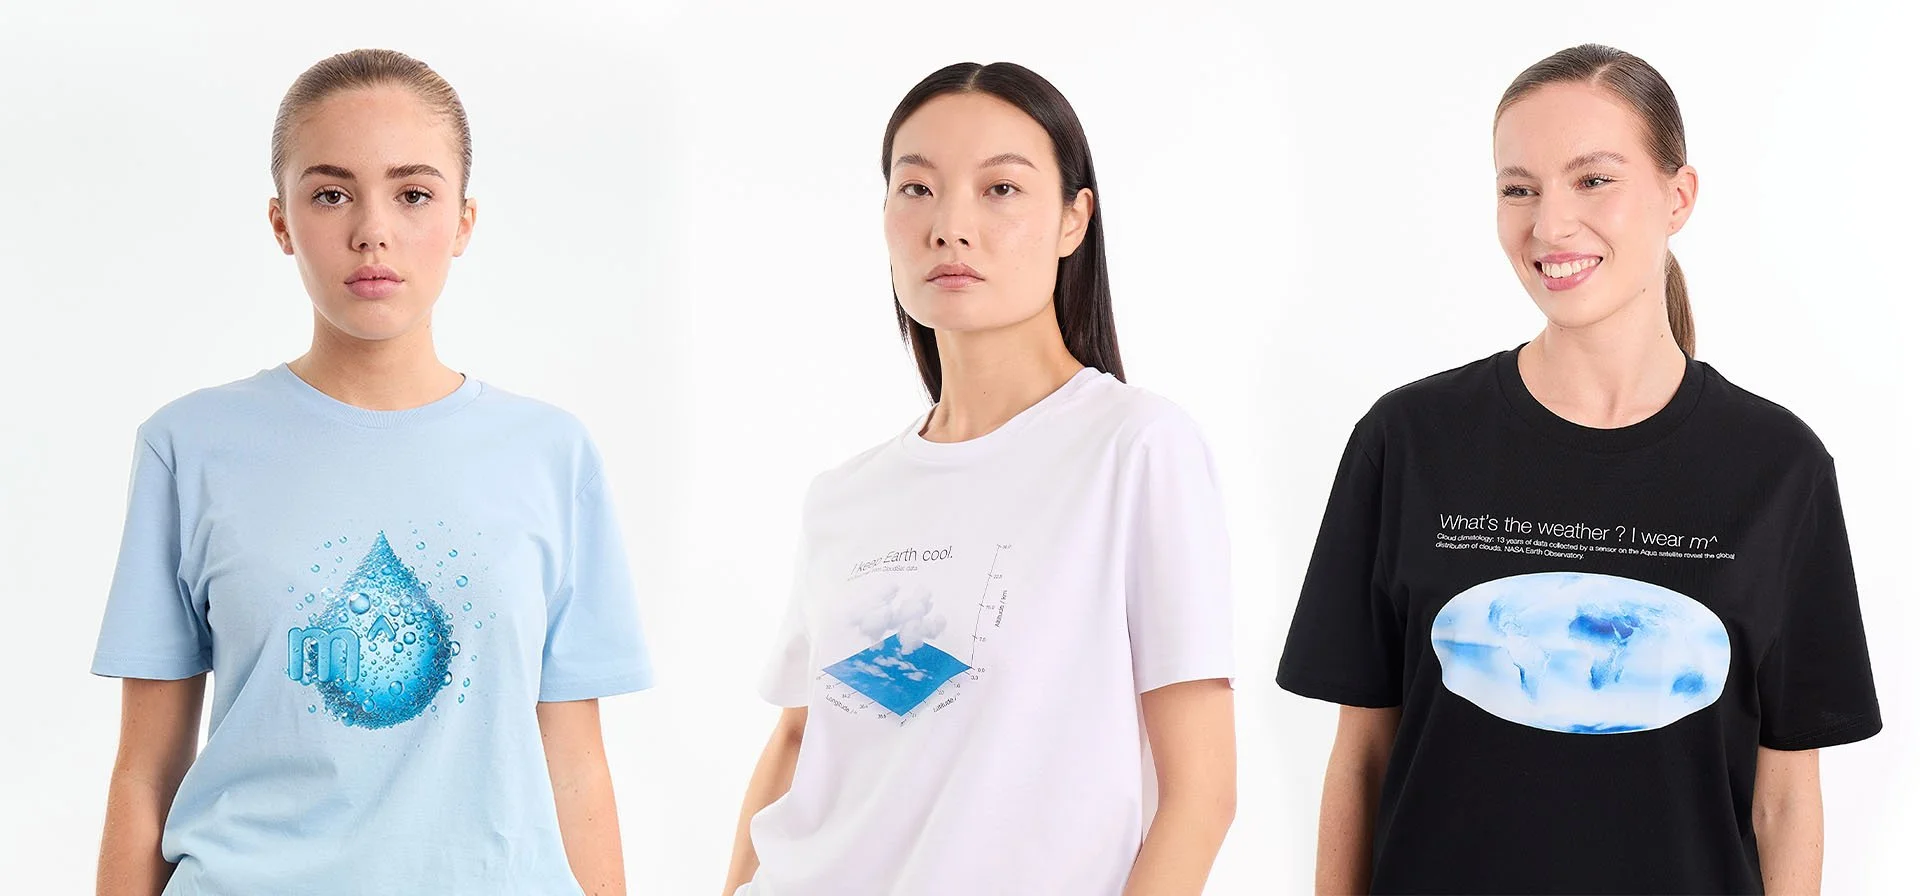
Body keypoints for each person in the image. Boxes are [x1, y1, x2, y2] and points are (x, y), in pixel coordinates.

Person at [1277, 43, 1881, 895]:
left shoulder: (1779, 469)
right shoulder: (1408, 441)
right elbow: (1362, 761)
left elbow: (1784, 802)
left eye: (1592, 179)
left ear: (1679, 197)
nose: (1549, 224)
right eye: (1518, 188)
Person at [91, 49, 650, 895]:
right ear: (281, 221)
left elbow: (576, 766)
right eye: (330, 193)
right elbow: (144, 771)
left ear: (464, 221)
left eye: (413, 193)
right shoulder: (190, 445)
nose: (372, 231)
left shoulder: (550, 454)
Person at [722, 62, 1237, 896]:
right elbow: (795, 745)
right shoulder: (845, 496)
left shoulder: (1135, 449)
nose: (950, 226)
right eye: (916, 189)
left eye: (1000, 189)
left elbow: (1202, 794)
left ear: (1076, 219)